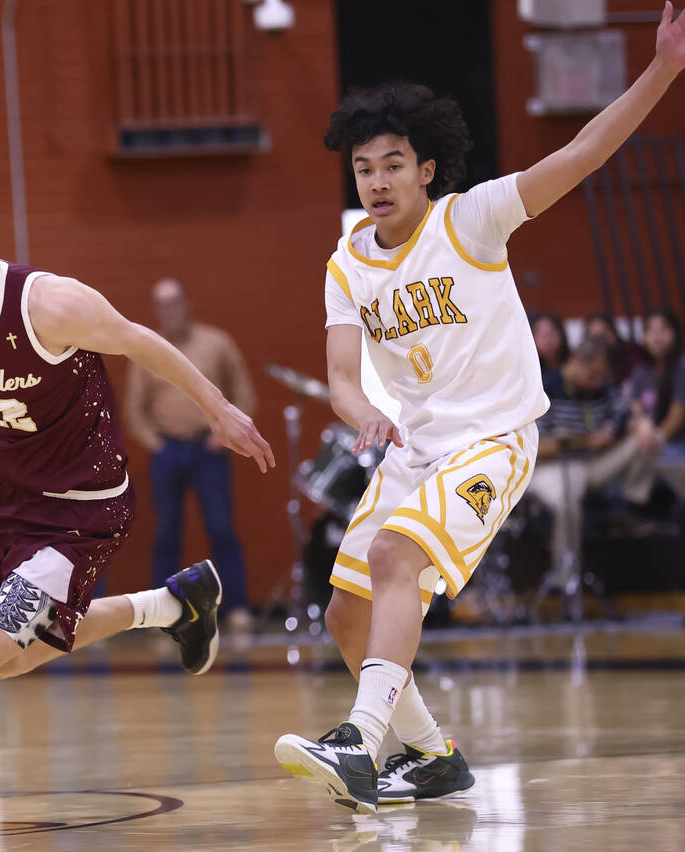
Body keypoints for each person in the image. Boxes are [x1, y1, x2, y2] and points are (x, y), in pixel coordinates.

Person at [274, 4, 685, 815]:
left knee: (397, 559)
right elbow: (341, 374)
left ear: (428, 169)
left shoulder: (473, 221)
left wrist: (664, 68)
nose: (379, 181)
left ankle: (360, 742)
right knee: (344, 615)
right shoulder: (348, 263)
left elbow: (582, 151)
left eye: (394, 164)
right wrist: (364, 411)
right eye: (365, 168)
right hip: (416, 449)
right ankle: (431, 756)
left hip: (493, 442)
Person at [0, 153, 274, 835]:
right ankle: (171, 605)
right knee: (9, 662)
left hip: (84, 506)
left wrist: (218, 409)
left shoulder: (49, 303)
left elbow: (139, 342)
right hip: (17, 501)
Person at [124, 278, 257, 630]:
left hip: (208, 450)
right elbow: (135, 410)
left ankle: (238, 607)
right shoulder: (146, 349)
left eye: (174, 302)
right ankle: (162, 614)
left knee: (221, 527)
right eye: (161, 304)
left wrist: (223, 436)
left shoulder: (216, 344)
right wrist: (155, 443)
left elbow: (243, 394)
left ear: (186, 303)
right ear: (157, 310)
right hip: (167, 450)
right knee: (167, 532)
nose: (169, 310)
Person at [525, 336, 658, 581]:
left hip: (593, 465)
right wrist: (584, 441)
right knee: (567, 501)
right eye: (592, 374)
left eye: (601, 375)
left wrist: (641, 423)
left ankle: (630, 507)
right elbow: (534, 448)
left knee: (650, 437)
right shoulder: (545, 387)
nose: (597, 381)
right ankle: (566, 579)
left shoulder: (601, 388)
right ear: (575, 362)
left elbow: (626, 410)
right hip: (550, 468)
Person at [625, 309, 685, 494]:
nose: (657, 336)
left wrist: (657, 437)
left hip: (675, 441)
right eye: (650, 330)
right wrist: (640, 425)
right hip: (648, 441)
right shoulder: (641, 370)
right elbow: (635, 410)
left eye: (663, 329)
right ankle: (634, 507)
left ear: (675, 332)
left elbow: (678, 413)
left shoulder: (681, 366)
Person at [530, 310, 569, 379]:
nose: (548, 340)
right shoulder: (529, 371)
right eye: (543, 335)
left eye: (551, 333)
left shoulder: (573, 363)